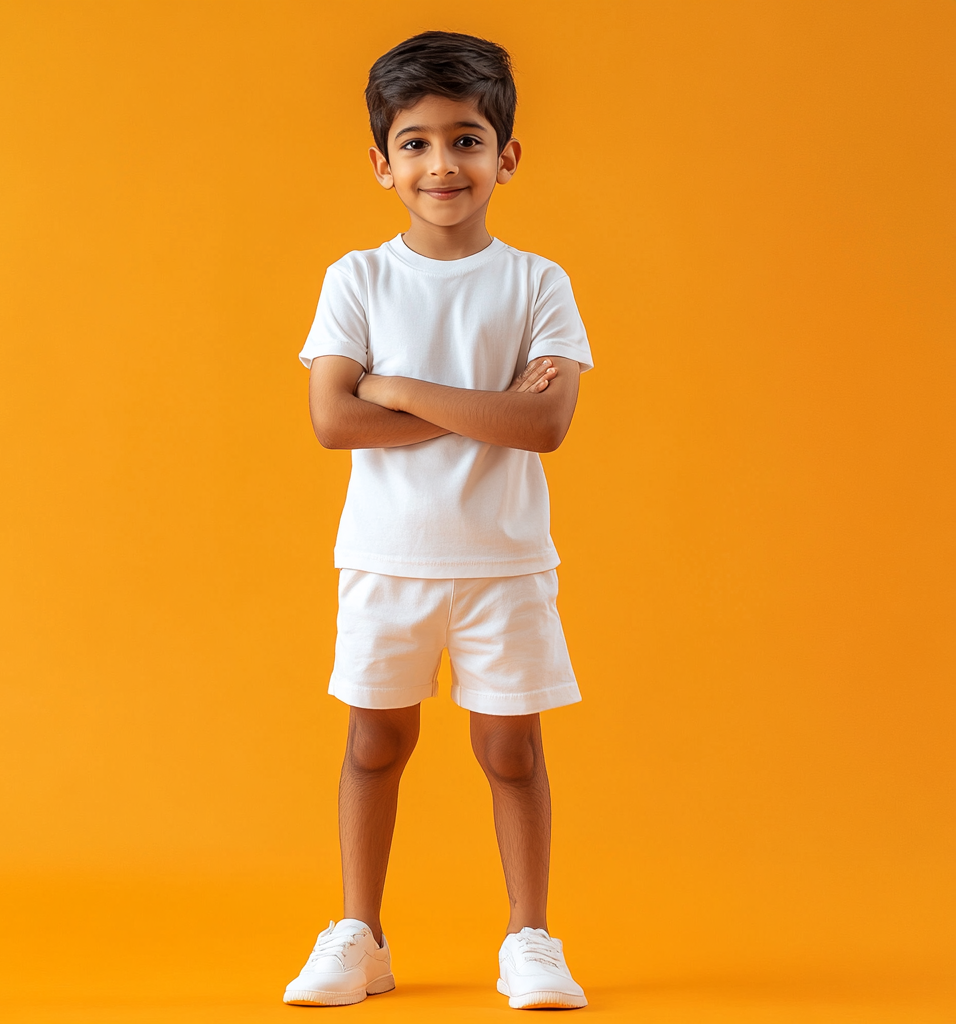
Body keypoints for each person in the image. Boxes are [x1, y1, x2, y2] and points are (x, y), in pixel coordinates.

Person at [283, 30, 593, 1011]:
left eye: (465, 139)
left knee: (510, 749)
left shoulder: (537, 283)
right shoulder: (357, 281)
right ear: (381, 163)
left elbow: (540, 423)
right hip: (386, 562)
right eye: (414, 143)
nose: (440, 164)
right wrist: (479, 401)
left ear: (504, 155)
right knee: (374, 741)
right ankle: (358, 931)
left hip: (504, 565)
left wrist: (402, 385)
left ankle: (529, 937)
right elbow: (335, 419)